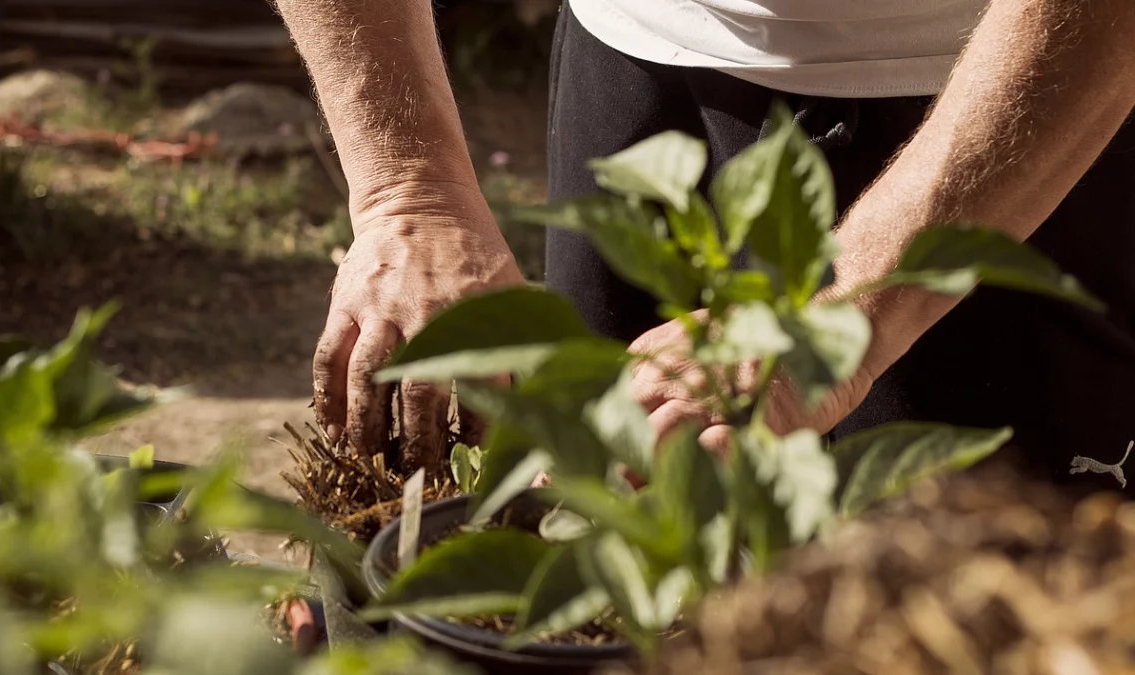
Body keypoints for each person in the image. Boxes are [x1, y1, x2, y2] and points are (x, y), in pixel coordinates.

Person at [276, 0, 1135, 487]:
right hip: (636, 70)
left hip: (1006, 108)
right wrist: (408, 187)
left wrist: (846, 307)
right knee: (606, 561)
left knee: (955, 619)